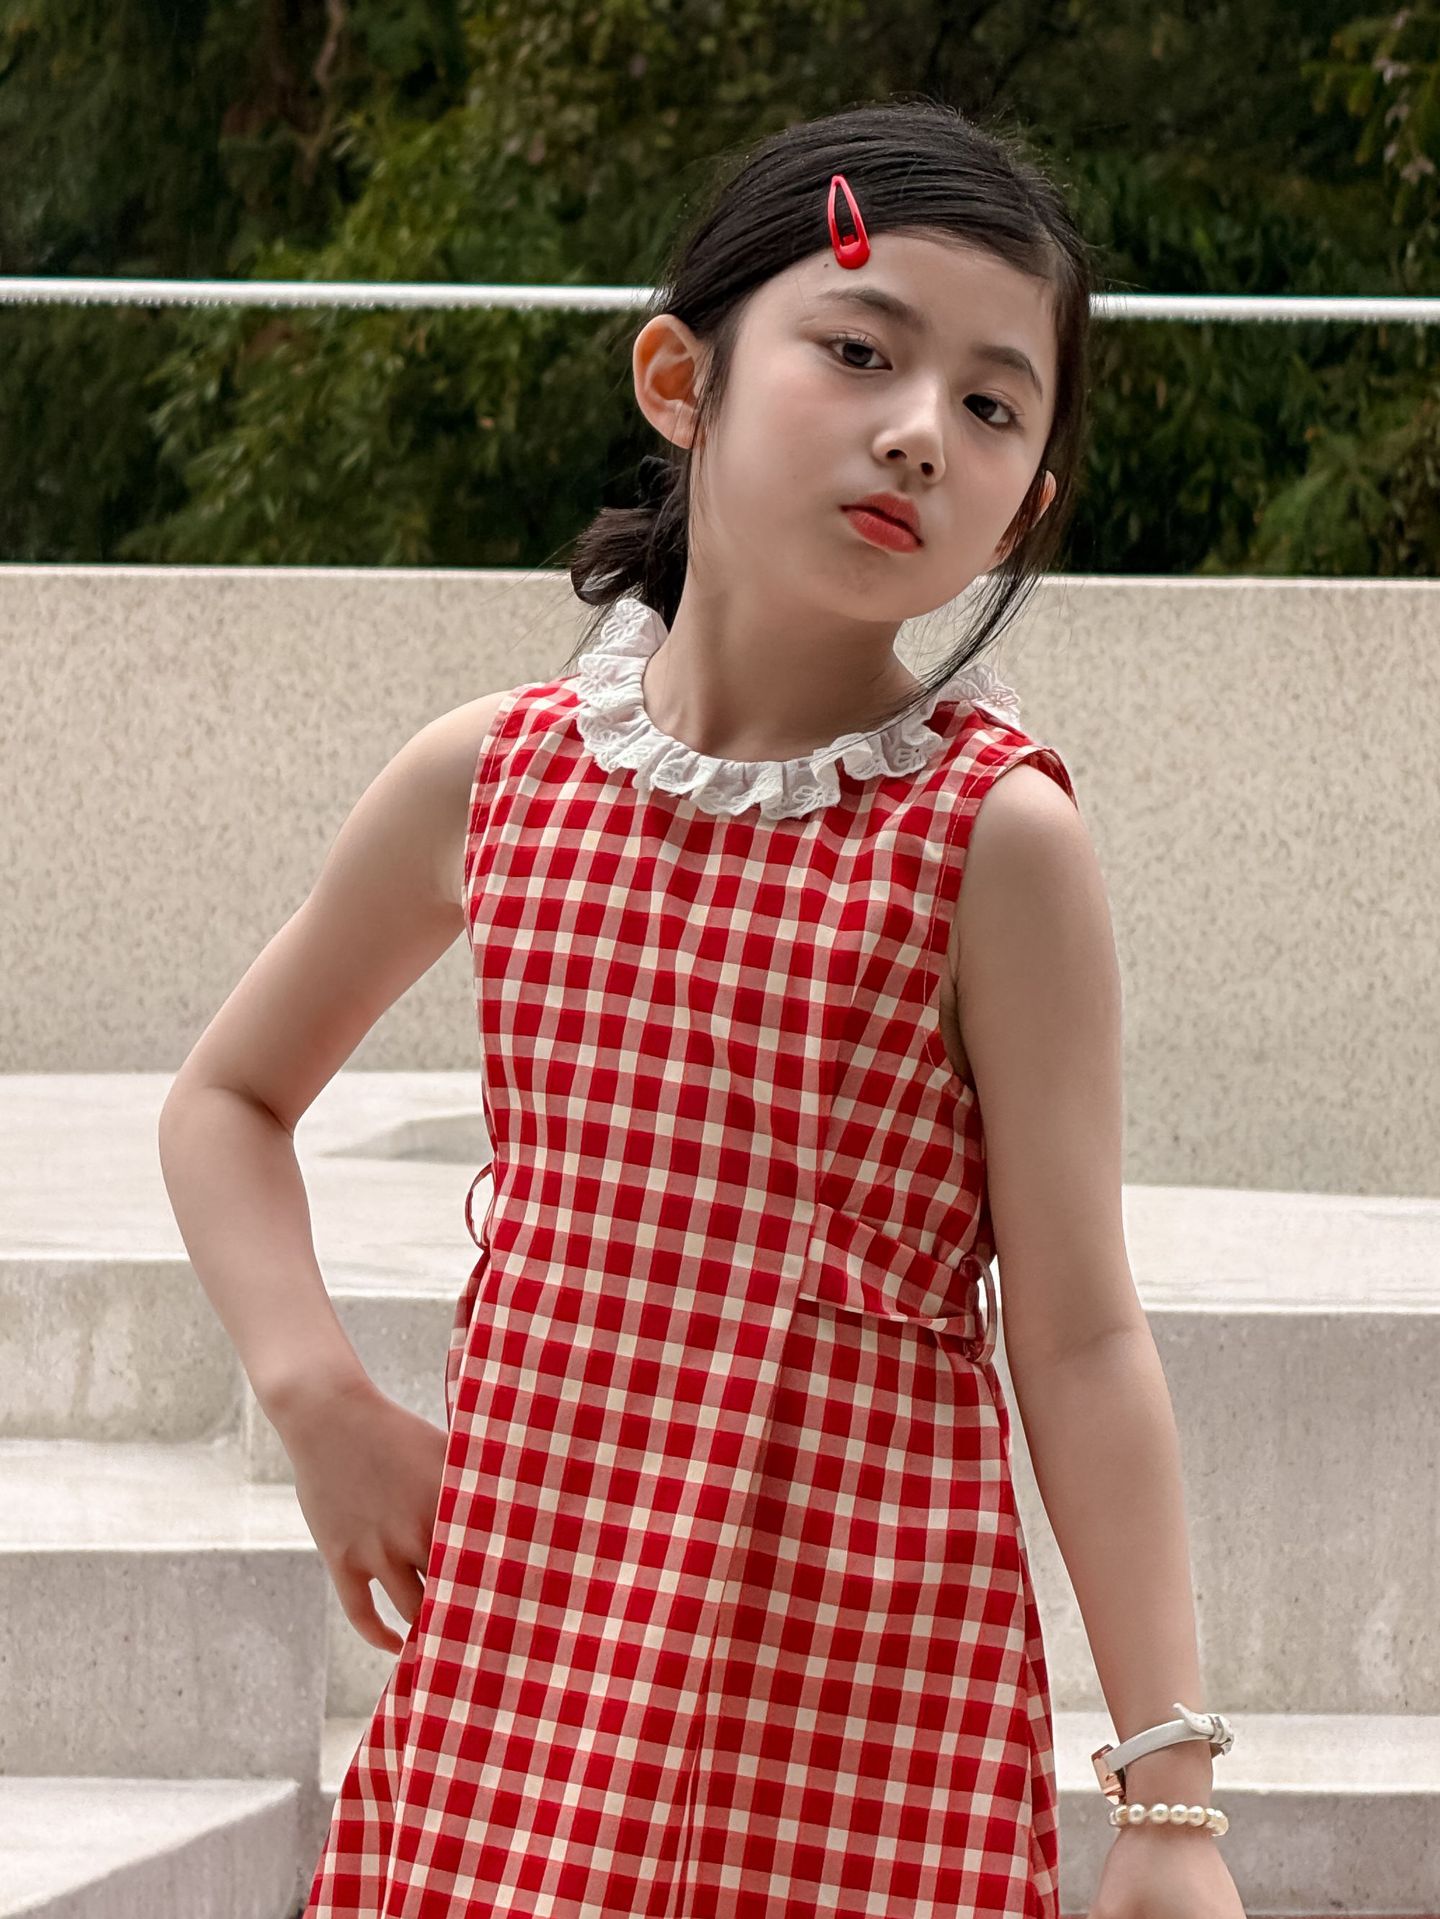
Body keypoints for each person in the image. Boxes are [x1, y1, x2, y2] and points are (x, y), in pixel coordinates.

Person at [158, 98, 1242, 1919]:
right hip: (520, 1680)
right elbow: (226, 1103)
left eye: (993, 406)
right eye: (860, 350)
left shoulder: (993, 838)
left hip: (862, 1711)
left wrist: (1170, 1802)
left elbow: (1078, 1340)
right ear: (683, 380)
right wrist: (318, 1400)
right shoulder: (493, 777)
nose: (921, 430)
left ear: (1027, 505)